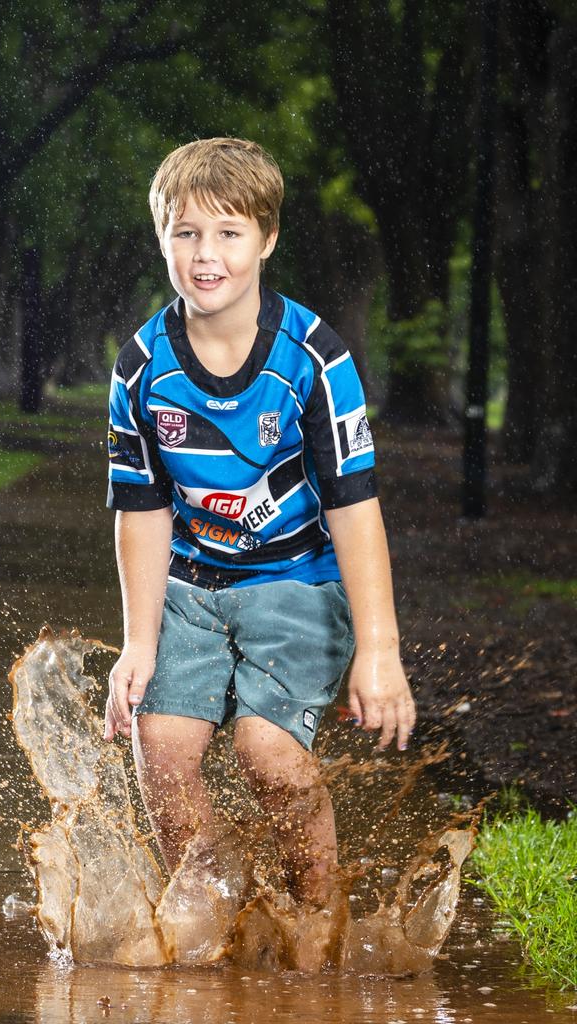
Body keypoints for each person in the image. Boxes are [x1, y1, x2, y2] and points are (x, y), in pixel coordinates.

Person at [103, 137, 416, 905]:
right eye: (186, 232)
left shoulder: (312, 357)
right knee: (163, 748)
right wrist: (138, 641)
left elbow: (354, 504)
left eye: (228, 233)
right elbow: (140, 510)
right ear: (162, 238)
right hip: (193, 583)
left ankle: (316, 913)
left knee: (267, 753)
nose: (206, 255)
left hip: (297, 580)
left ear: (267, 239)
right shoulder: (142, 367)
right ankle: (214, 905)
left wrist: (379, 649)